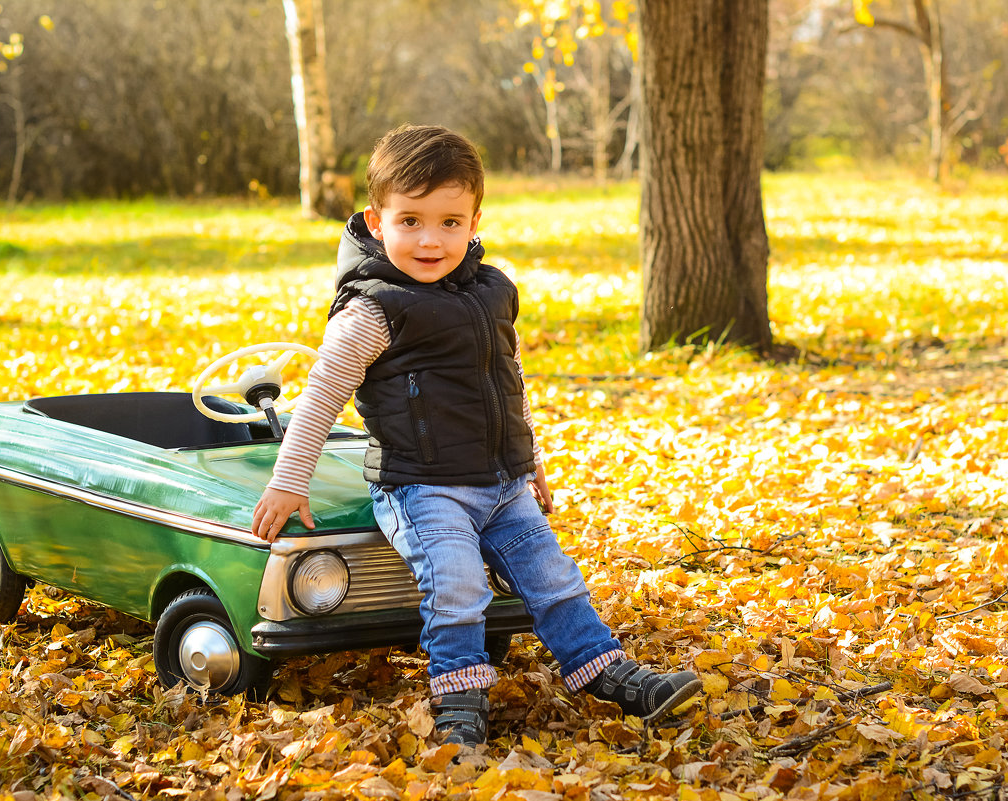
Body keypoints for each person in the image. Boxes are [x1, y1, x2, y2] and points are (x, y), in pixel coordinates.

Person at [251, 124, 701, 747]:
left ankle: (603, 669)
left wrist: (531, 457)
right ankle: (458, 696)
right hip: (423, 487)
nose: (430, 240)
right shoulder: (374, 309)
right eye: (410, 221)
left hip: (504, 483)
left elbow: (507, 379)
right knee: (456, 585)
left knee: (554, 576)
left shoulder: (491, 292)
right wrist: (288, 480)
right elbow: (323, 392)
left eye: (449, 222)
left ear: (474, 221)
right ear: (377, 222)